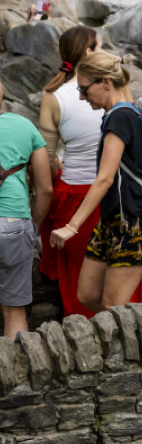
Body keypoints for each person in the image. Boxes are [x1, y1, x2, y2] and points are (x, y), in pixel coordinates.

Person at [39, 29, 142, 319]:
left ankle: (103, 333)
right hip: (110, 199)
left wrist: (69, 224)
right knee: (104, 287)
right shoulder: (122, 98)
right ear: (88, 52)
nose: (83, 97)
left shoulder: (54, 97)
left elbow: (48, 160)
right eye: (98, 45)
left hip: (83, 195)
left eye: (85, 92)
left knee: (88, 282)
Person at [0, 77, 50, 338]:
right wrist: (34, 227)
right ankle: (15, 377)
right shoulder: (24, 126)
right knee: (14, 312)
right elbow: (45, 188)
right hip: (13, 223)